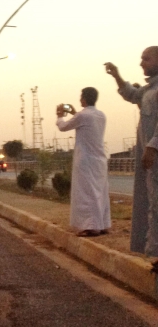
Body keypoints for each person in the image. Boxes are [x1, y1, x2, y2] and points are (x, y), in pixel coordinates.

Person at [107, 47, 158, 257]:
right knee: (152, 205)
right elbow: (131, 94)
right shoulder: (149, 90)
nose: (142, 63)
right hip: (150, 161)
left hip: (153, 154)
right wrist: (116, 75)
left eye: (146, 59)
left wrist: (152, 145)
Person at [56, 88, 110, 237]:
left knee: (87, 193)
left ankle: (91, 226)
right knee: (100, 193)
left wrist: (60, 116)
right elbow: (85, 123)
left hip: (85, 160)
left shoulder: (82, 115)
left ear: (84, 99)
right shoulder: (101, 115)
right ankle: (103, 224)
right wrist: (75, 113)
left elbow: (63, 127)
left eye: (81, 97)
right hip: (99, 159)